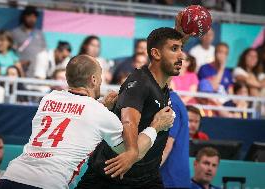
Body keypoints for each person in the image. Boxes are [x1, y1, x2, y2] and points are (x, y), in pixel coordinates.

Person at [0, 55, 174, 189]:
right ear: (94, 80)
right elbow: (132, 152)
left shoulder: (48, 99)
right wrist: (155, 126)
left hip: (11, 176)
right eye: (100, 76)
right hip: (48, 183)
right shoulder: (100, 114)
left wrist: (102, 105)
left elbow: (74, 114)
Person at [76, 24, 193, 188]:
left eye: (181, 49)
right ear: (156, 53)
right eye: (174, 49)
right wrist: (131, 151)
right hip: (111, 175)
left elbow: (167, 57)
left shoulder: (161, 82)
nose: (182, 55)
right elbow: (128, 119)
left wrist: (181, 34)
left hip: (146, 179)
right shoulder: (139, 82)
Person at [160, 90, 191, 189]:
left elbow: (167, 146)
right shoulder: (172, 101)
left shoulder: (171, 103)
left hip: (170, 179)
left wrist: (146, 174)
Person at [11, 6, 46, 77]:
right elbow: (12, 52)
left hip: (36, 71)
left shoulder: (39, 33)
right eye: (29, 16)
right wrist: (19, 62)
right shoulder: (15, 33)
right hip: (21, 70)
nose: (32, 19)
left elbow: (44, 50)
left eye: (34, 17)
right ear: (24, 17)